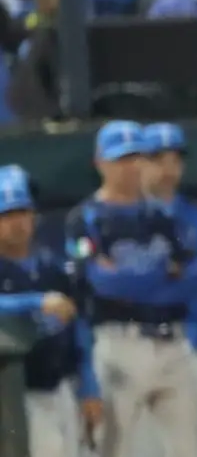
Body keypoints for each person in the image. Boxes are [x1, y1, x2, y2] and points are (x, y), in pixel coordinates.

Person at [64, 121, 197, 457]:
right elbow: (100, 283)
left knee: (191, 449)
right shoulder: (86, 217)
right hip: (119, 345)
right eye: (121, 159)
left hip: (173, 343)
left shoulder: (165, 215)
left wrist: (132, 282)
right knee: (113, 449)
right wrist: (163, 273)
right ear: (100, 162)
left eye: (137, 157)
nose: (131, 166)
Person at [140, 123, 197, 457]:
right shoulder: (121, 218)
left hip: (192, 346)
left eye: (175, 160)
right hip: (138, 348)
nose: (167, 169)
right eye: (157, 159)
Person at [0, 168, 100, 457]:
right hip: (16, 392)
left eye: (22, 213)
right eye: (6, 216)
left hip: (60, 386)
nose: (16, 223)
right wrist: (35, 302)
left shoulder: (50, 267)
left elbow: (77, 330)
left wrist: (89, 388)